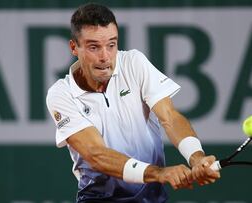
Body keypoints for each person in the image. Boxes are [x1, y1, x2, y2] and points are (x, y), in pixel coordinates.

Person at [46, 3, 220, 203]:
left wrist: (196, 157)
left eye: (111, 45)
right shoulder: (61, 93)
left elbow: (169, 117)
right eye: (94, 47)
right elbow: (97, 155)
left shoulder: (134, 63)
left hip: (153, 199)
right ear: (74, 47)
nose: (105, 57)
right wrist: (159, 174)